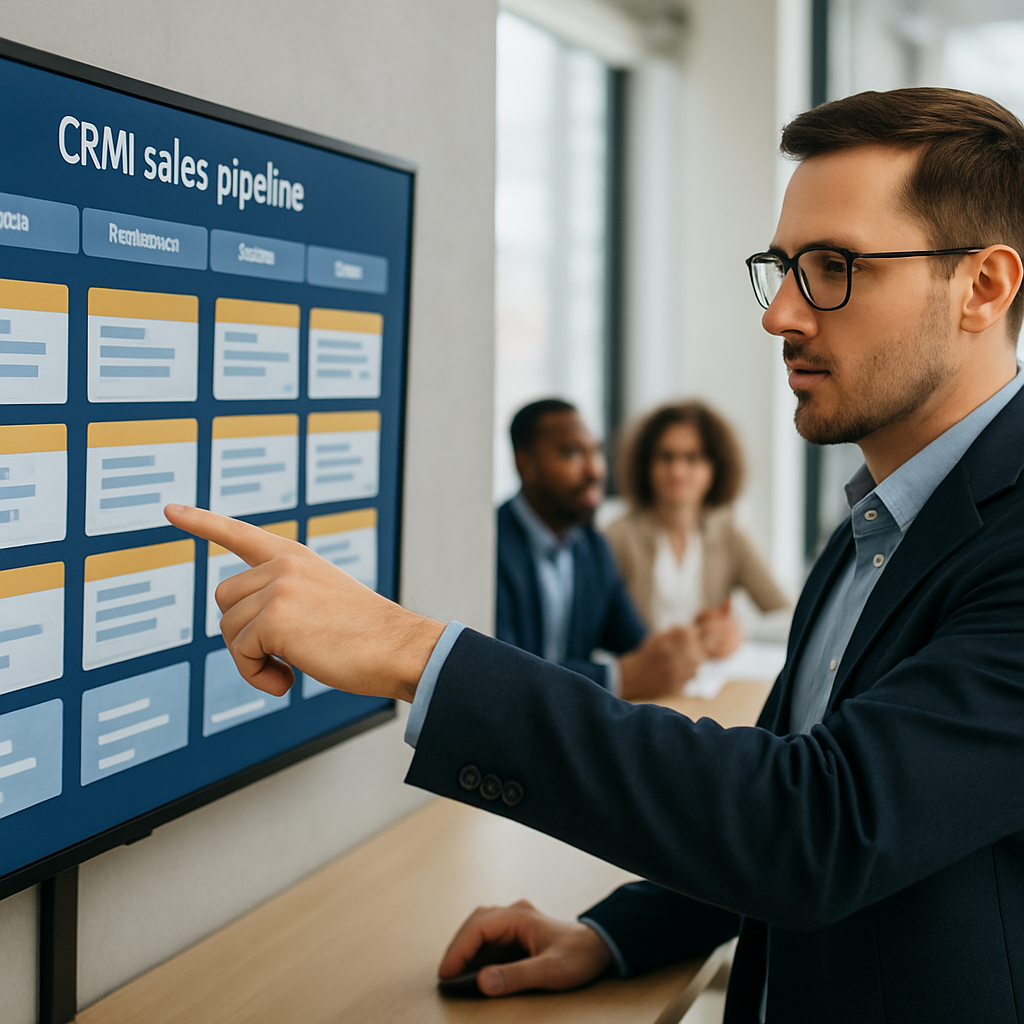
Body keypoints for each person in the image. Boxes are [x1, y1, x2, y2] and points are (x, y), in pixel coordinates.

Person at [166, 86, 1024, 1022]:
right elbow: (764, 788)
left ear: (983, 287)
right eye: (780, 267)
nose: (781, 314)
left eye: (831, 266)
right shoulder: (882, 519)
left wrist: (411, 650)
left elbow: (815, 827)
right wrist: (618, 933)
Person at [497, 398, 701, 699]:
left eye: (596, 452)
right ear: (525, 464)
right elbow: (500, 674)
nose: (594, 471)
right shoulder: (490, 547)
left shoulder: (593, 547)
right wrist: (614, 678)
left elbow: (637, 645)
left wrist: (684, 643)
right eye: (572, 453)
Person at [605, 400, 788, 655]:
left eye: (692, 458)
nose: (677, 471)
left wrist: (739, 631)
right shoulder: (616, 537)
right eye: (666, 457)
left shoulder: (730, 535)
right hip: (641, 683)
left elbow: (786, 613)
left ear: (715, 466)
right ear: (646, 465)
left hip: (708, 682)